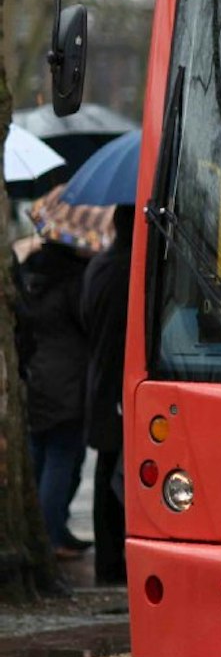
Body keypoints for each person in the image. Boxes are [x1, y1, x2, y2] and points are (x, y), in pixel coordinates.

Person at [12, 235, 92, 559]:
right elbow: (86, 326)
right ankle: (50, 536)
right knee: (61, 455)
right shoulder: (72, 285)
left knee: (42, 453)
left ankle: (49, 531)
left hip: (37, 377)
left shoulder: (30, 284)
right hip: (68, 381)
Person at [80, 205, 133, 585]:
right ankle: (112, 564)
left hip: (99, 380)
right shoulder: (124, 269)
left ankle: (108, 561)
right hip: (115, 386)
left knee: (106, 470)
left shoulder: (99, 265)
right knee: (114, 476)